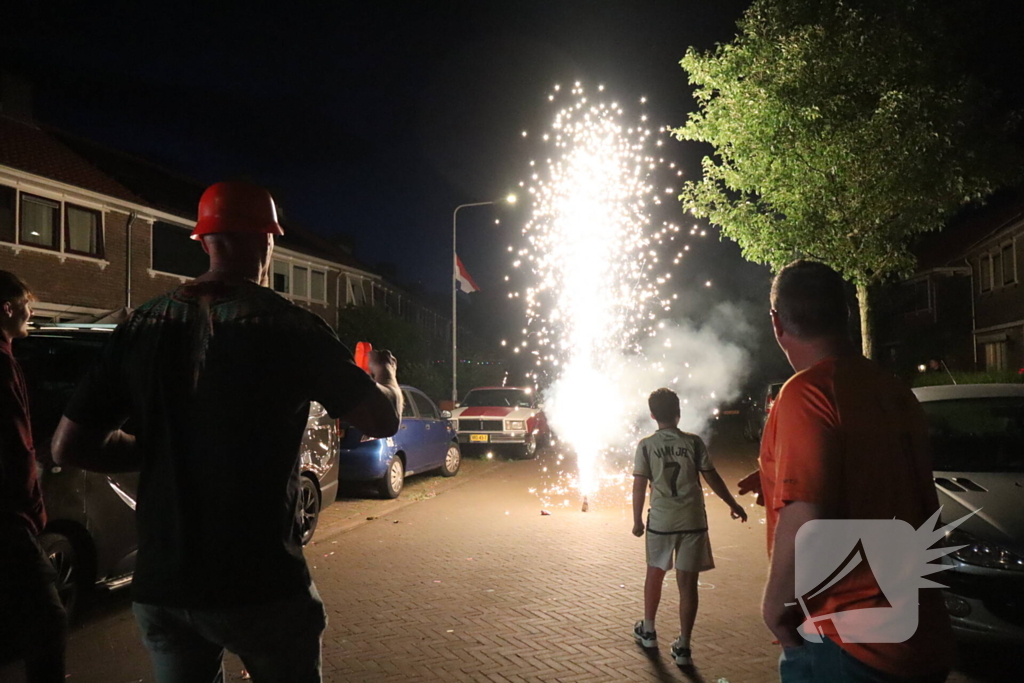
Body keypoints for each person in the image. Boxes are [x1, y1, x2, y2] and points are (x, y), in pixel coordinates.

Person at [51, 182, 402, 683]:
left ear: (205, 241)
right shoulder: (291, 328)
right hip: (259, 584)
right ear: (266, 240)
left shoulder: (141, 326)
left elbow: (70, 444)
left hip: (162, 585)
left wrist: (159, 448)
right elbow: (380, 420)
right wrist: (385, 378)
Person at [738, 260, 954, 682]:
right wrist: (774, 477)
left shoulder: (806, 393)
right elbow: (879, 477)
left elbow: (806, 519)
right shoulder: (893, 390)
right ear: (847, 315)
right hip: (919, 632)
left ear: (776, 322)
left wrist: (776, 611)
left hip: (850, 646)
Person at [632, 387, 748, 667]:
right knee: (688, 584)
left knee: (655, 574)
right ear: (678, 412)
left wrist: (637, 519)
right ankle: (683, 646)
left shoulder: (646, 445)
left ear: (652, 415)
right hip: (693, 521)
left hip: (661, 521)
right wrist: (733, 504)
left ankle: (648, 630)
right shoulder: (693, 443)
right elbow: (711, 477)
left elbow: (639, 483)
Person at [0, 271, 67, 683]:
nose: (32, 310)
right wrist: (33, 510)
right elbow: (13, 442)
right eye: (27, 302)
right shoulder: (2, 363)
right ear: (6, 308)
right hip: (8, 518)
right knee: (48, 619)